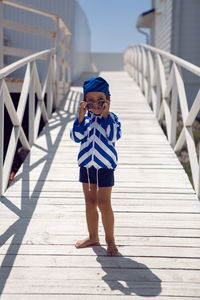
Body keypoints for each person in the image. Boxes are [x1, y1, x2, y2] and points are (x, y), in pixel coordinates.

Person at [70, 77, 121, 256]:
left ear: (107, 100)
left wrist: (106, 116)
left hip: (105, 167)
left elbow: (114, 136)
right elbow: (75, 137)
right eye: (90, 101)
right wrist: (80, 117)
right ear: (85, 103)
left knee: (104, 203)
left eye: (100, 100)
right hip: (86, 166)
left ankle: (110, 240)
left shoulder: (112, 119)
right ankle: (93, 237)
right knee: (90, 202)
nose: (96, 105)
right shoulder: (84, 120)